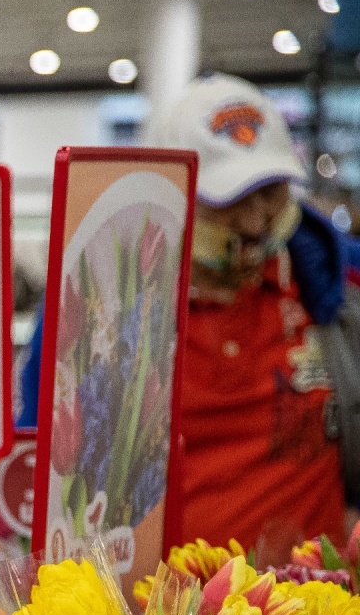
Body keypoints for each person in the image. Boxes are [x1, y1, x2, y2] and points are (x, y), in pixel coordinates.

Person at [20, 74, 355, 551]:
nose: (256, 219)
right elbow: (41, 466)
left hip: (316, 609)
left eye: (272, 191)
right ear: (173, 193)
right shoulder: (97, 305)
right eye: (232, 198)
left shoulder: (339, 284)